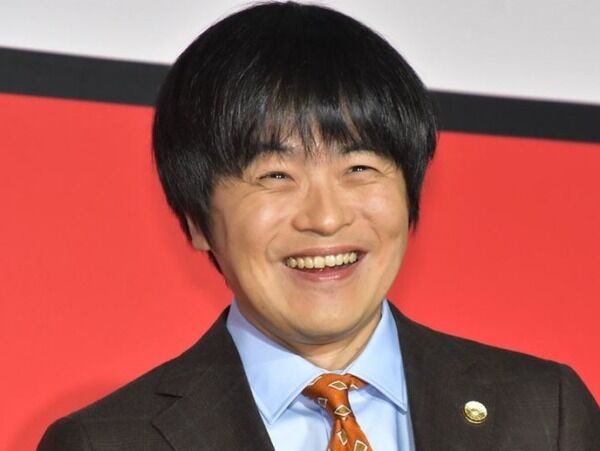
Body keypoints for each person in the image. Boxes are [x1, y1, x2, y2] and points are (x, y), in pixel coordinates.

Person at [38, 2, 598, 450]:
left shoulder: (545, 411)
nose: (326, 218)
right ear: (197, 220)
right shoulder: (105, 442)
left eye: (359, 168)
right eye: (275, 175)